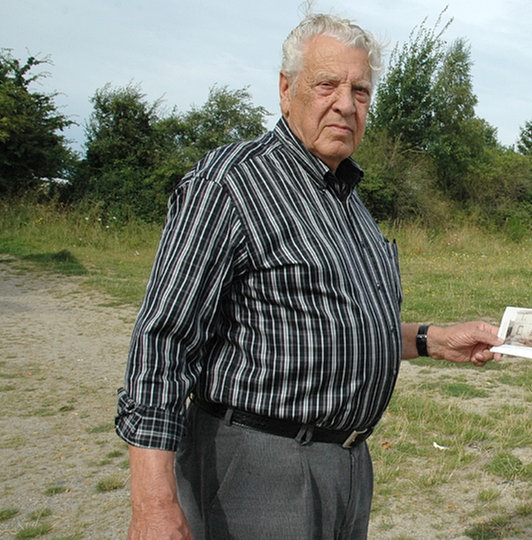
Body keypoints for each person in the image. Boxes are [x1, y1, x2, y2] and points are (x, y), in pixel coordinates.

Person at [115, 12, 503, 539]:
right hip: (258, 471)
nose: (346, 103)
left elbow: (331, 328)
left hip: (346, 468)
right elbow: (162, 343)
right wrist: (153, 504)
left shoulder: (349, 200)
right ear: (286, 89)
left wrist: (433, 340)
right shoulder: (232, 184)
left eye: (361, 90)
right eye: (328, 84)